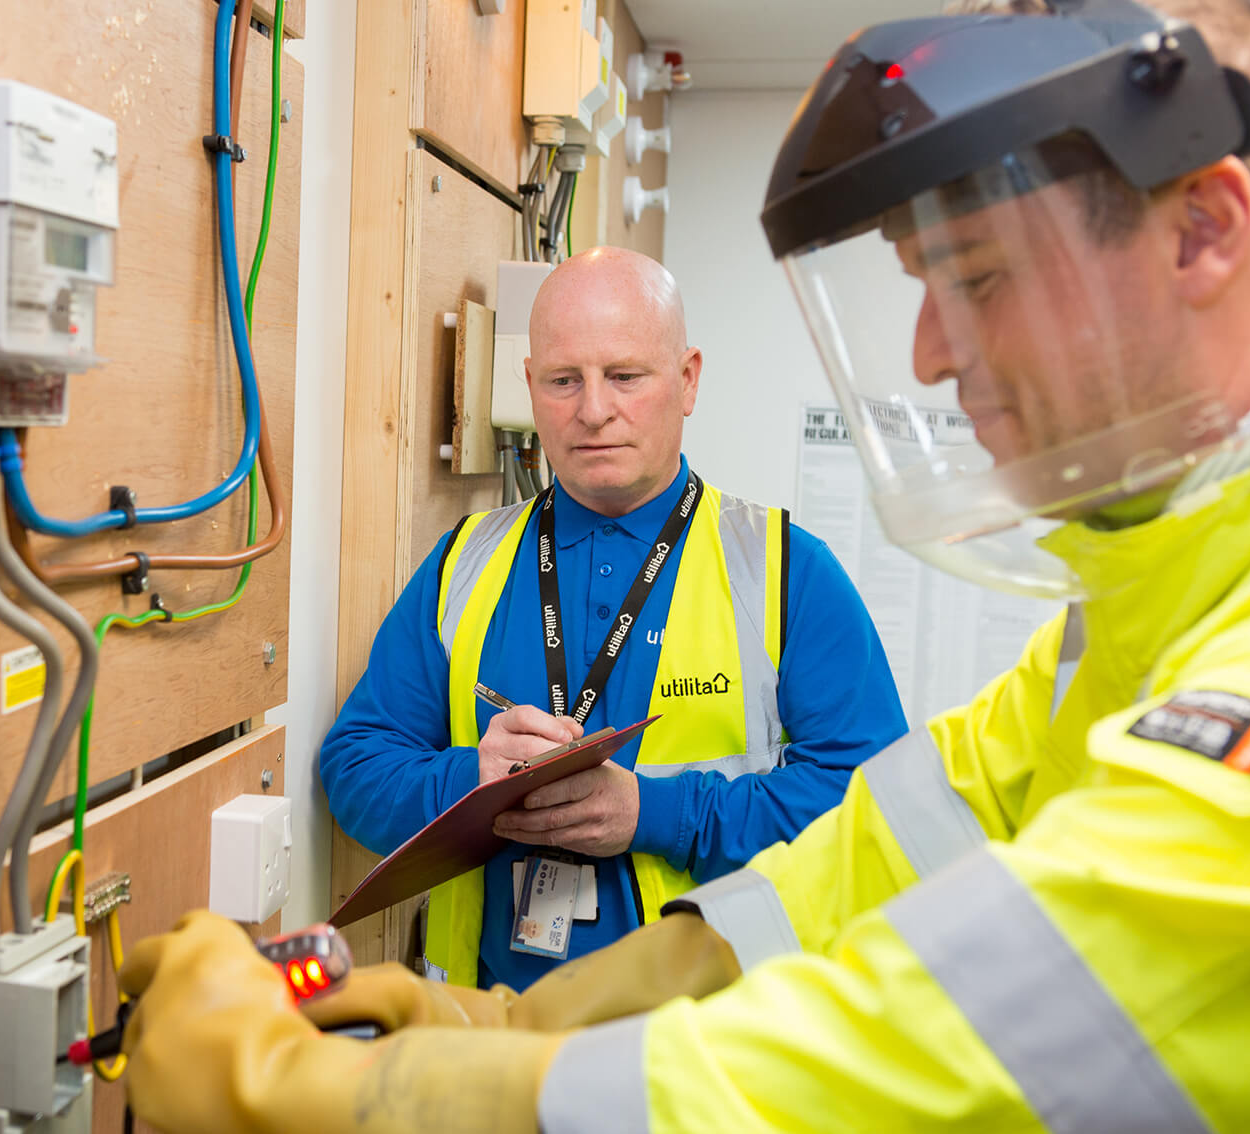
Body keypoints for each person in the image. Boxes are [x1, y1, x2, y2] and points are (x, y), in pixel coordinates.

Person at [115, 1, 1250, 1130]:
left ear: (1202, 232)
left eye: (978, 277)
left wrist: (358, 1093)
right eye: (561, 381)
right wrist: (511, 1023)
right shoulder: (1114, 629)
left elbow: (902, 1056)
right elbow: (859, 865)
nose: (928, 353)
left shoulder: (788, 575)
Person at [317, 246, 907, 989]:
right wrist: (473, 782)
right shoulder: (463, 565)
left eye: (625, 376)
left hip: (705, 1053)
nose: (593, 410)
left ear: (687, 380)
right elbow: (354, 768)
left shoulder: (788, 572)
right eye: (564, 380)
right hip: (491, 1043)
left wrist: (659, 813)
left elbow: (874, 805)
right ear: (530, 388)